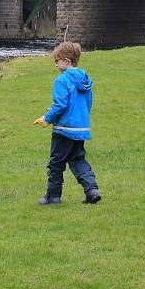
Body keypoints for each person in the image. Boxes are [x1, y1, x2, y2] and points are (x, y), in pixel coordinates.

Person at [34, 42, 102, 206]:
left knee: (56, 163)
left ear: (66, 60)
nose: (56, 64)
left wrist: (47, 118)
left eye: (56, 60)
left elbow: (60, 105)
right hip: (80, 128)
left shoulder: (61, 80)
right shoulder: (85, 79)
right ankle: (92, 190)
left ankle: (53, 197)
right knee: (78, 159)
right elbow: (88, 103)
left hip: (64, 129)